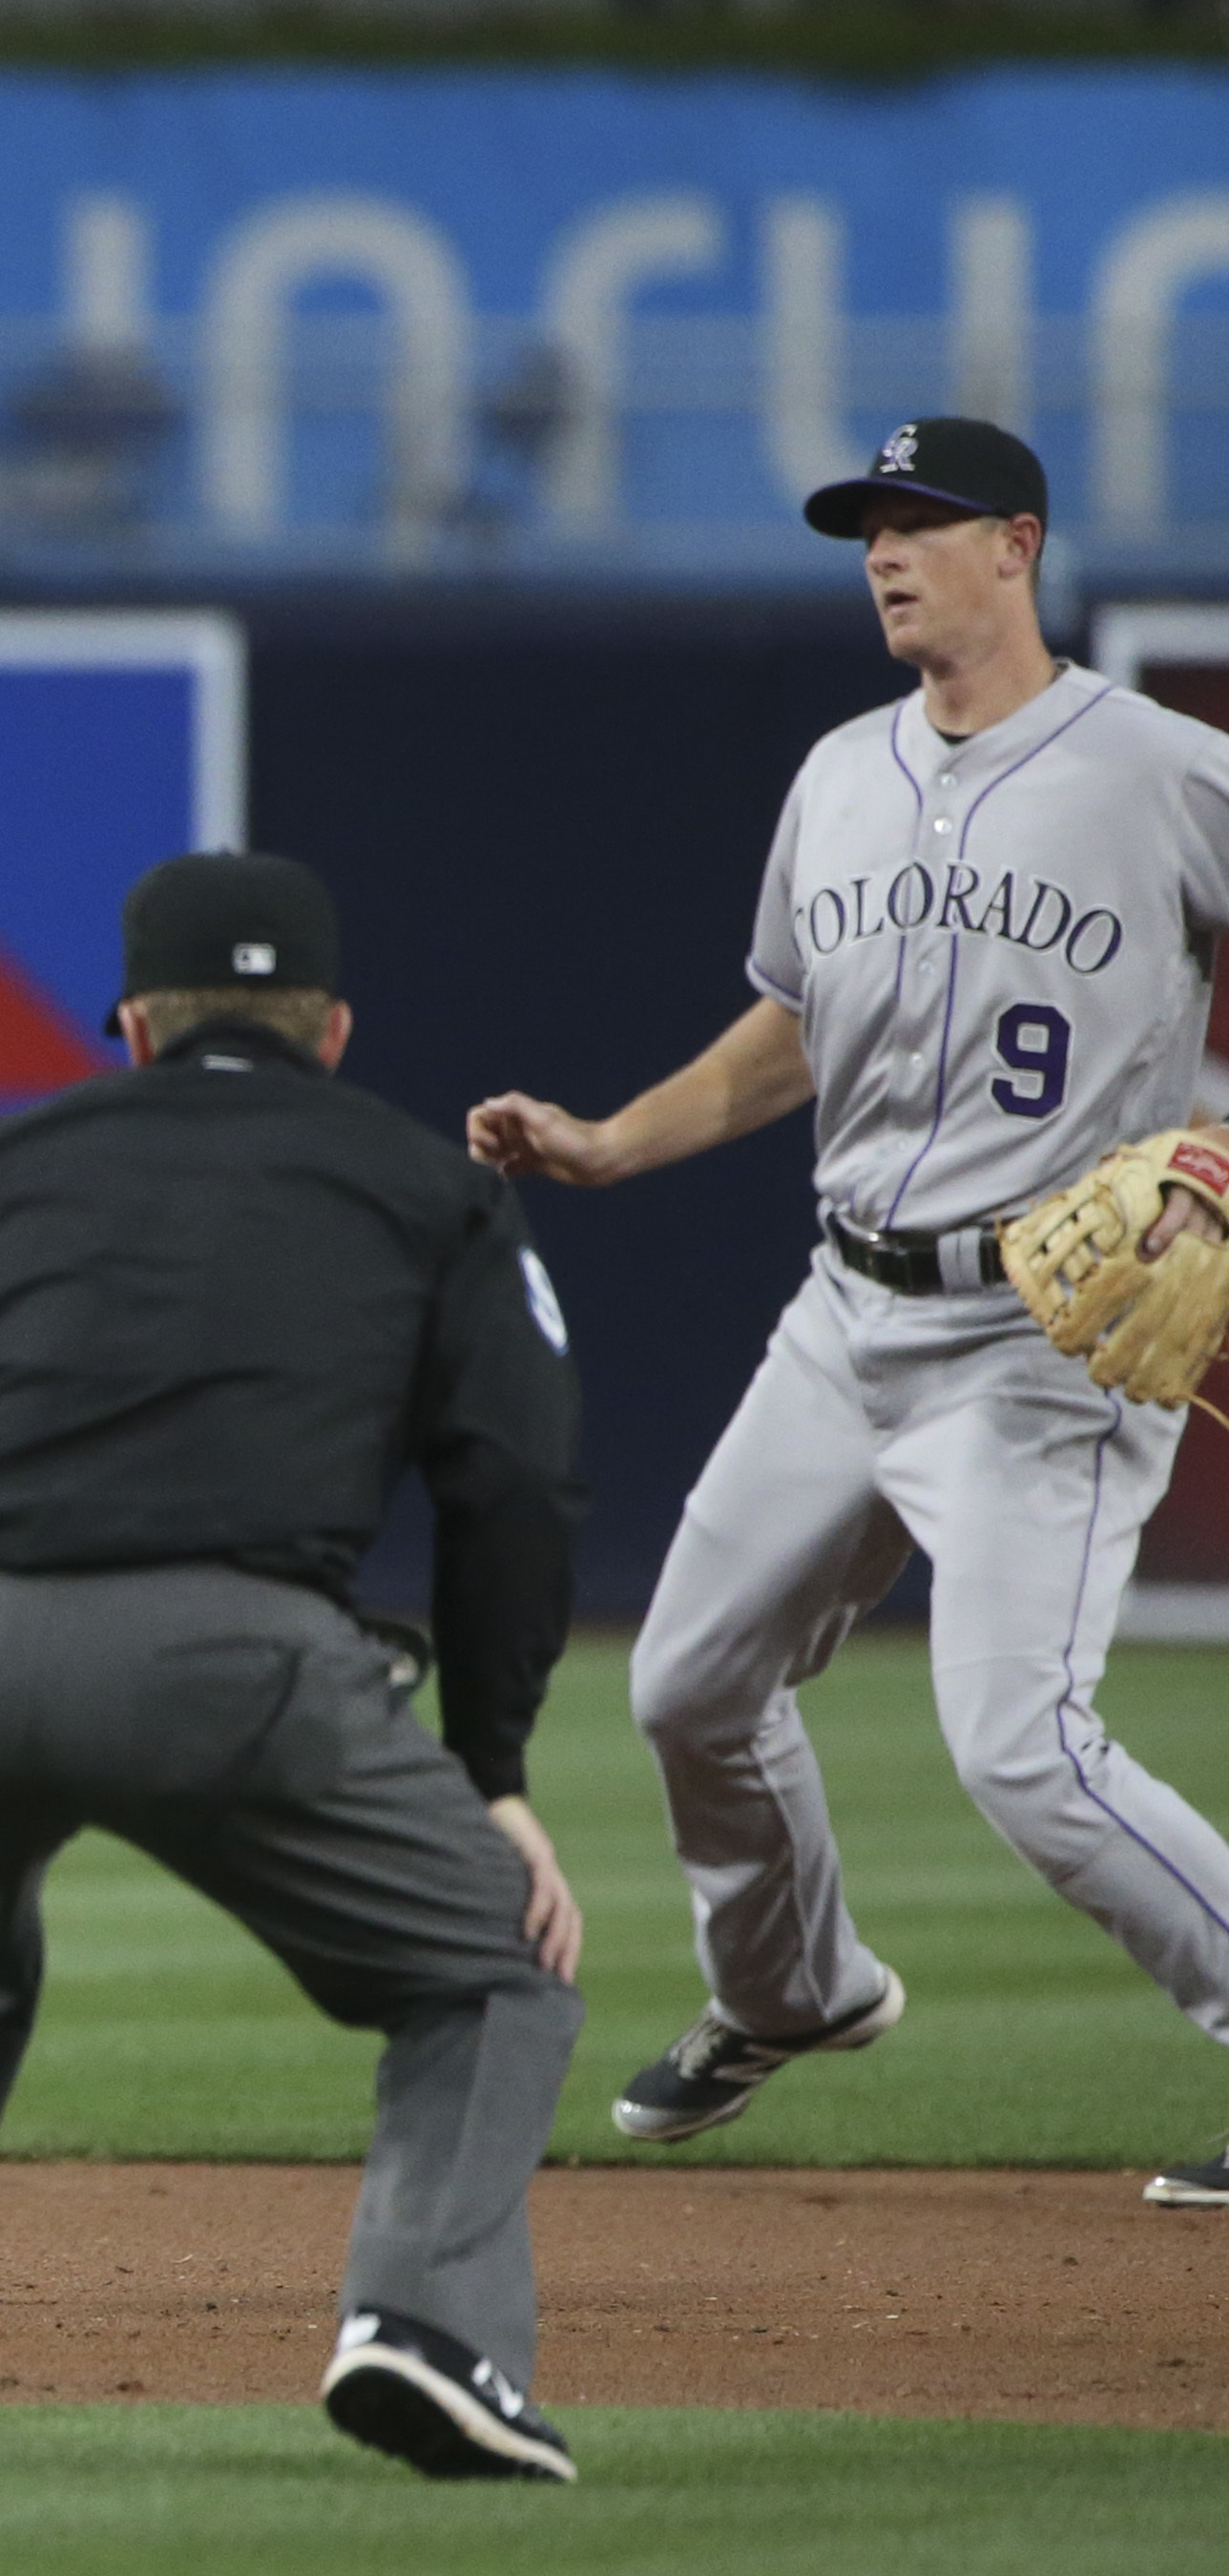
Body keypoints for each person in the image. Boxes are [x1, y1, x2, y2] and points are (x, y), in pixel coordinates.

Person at [469, 417, 1229, 2211]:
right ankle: (789, 1992)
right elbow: (798, 1026)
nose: (883, 554)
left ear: (1015, 547)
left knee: (1018, 1747)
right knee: (685, 1683)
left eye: (919, 523)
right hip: (842, 1310)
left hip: (1043, 1333)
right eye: (864, 529)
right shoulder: (837, 775)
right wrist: (610, 1142)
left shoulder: (1159, 769)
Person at [0, 850, 587, 2482]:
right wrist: (491, 1776)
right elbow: (511, 1484)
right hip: (234, 1651)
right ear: (333, 1032)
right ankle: (422, 2326)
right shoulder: (431, 1188)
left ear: (132, 1027)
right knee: (493, 1960)